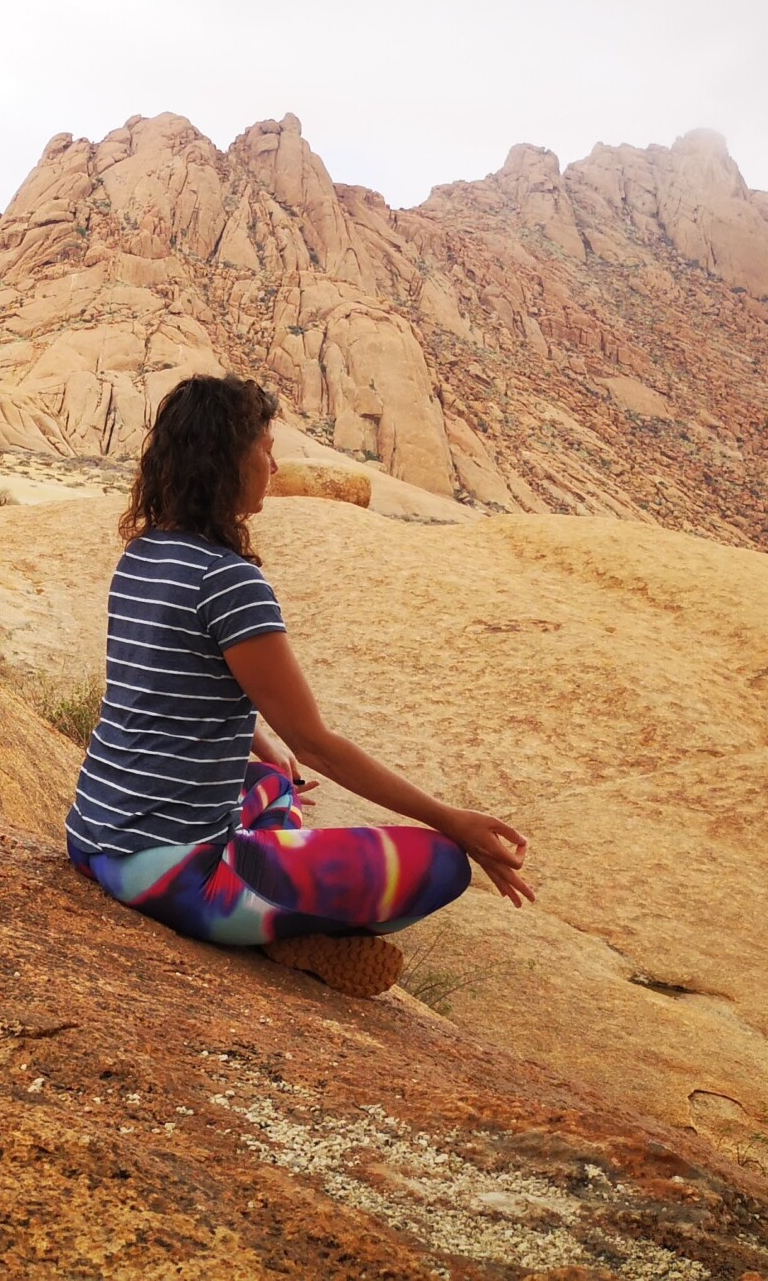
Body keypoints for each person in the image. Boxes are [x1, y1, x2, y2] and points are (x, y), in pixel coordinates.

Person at [64, 374, 535, 998]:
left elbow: (164, 679)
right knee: (443, 864)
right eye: (264, 447)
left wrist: (258, 739)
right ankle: (288, 930)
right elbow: (316, 744)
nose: (274, 463)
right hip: (171, 874)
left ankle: (271, 892)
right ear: (228, 460)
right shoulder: (230, 581)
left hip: (93, 837)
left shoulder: (145, 553)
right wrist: (451, 821)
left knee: (272, 780)